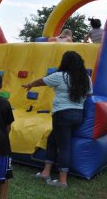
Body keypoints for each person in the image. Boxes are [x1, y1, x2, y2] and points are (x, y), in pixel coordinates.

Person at [22, 51, 92, 188]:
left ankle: (63, 181)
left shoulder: (60, 76)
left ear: (65, 62)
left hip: (62, 115)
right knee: (52, 140)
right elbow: (89, 95)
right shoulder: (86, 78)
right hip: (78, 115)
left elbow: (41, 81)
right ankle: (45, 172)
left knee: (64, 146)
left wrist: (30, 84)